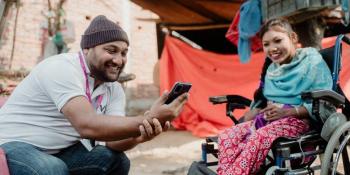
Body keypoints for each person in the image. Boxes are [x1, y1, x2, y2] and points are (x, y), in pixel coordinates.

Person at [0, 15, 188, 175]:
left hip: (58, 151)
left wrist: (141, 134)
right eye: (111, 50)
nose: (119, 60)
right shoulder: (61, 68)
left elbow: (111, 142)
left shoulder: (113, 88)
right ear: (87, 49)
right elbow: (87, 125)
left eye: (124, 53)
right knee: (51, 168)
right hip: (12, 144)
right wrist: (148, 118)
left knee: (115, 160)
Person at [217, 18, 333, 175]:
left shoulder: (311, 60)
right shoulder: (271, 69)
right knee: (227, 136)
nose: (272, 48)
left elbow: (323, 100)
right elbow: (265, 98)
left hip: (301, 120)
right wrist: (259, 111)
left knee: (259, 137)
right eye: (266, 44)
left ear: (293, 38)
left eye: (277, 40)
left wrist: (287, 112)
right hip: (270, 120)